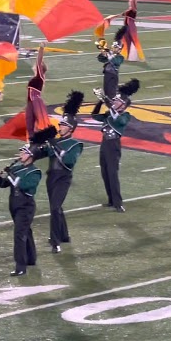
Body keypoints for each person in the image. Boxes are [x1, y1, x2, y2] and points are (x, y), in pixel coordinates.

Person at [33, 91, 84, 253]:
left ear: (70, 129)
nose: (60, 127)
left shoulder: (75, 144)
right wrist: (32, 149)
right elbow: (41, 154)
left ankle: (55, 241)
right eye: (60, 124)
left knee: (55, 208)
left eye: (63, 125)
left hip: (63, 179)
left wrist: (53, 144)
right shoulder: (55, 141)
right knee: (57, 207)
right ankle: (64, 235)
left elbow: (68, 161)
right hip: (51, 178)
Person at [0, 129, 48, 276]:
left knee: (19, 234)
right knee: (26, 232)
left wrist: (11, 175)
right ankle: (31, 258)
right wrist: (0, 178)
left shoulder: (34, 172)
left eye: (23, 153)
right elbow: (6, 184)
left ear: (30, 156)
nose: (20, 155)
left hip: (25, 207)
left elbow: (25, 186)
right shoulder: (17, 168)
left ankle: (21, 266)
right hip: (14, 204)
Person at [90, 78, 138, 212]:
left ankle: (118, 202)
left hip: (113, 145)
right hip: (104, 143)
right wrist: (100, 102)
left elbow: (119, 121)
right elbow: (94, 116)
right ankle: (111, 200)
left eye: (117, 101)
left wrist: (106, 100)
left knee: (112, 173)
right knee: (104, 173)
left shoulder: (125, 115)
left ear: (123, 105)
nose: (114, 102)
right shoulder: (109, 114)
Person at [99, 25, 126, 99]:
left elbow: (115, 61)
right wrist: (102, 52)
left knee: (112, 92)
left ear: (119, 49)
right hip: (107, 74)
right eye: (113, 47)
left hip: (113, 75)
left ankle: (114, 102)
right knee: (106, 91)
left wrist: (107, 54)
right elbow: (101, 59)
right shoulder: (110, 54)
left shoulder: (120, 57)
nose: (114, 48)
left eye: (116, 47)